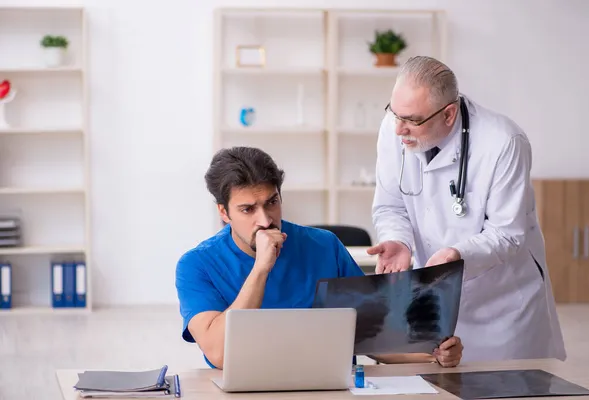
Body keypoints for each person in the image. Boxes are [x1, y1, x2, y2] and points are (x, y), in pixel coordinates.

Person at [175, 146, 463, 369]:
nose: (265, 220)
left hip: (330, 385)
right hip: (241, 388)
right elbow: (220, 353)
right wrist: (262, 268)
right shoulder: (196, 265)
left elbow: (370, 336)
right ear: (224, 213)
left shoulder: (325, 246)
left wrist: (430, 353)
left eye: (272, 202)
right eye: (248, 209)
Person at [368, 55, 566, 362]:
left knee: (506, 388)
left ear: (448, 114)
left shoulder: (503, 142)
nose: (398, 130)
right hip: (434, 297)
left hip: (501, 305)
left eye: (412, 120)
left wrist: (455, 255)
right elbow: (391, 204)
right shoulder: (395, 127)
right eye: (395, 114)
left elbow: (507, 234)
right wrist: (399, 239)